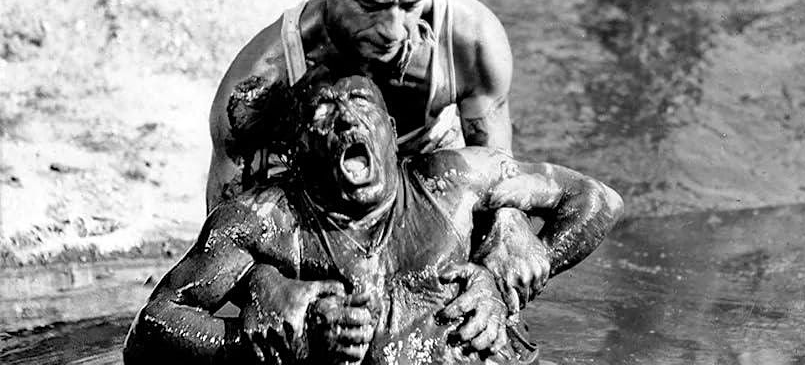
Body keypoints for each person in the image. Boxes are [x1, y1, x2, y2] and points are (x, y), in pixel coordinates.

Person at [125, 74, 623, 365]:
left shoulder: (453, 181)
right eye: (322, 113)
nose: (346, 118)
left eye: (360, 104)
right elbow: (149, 332)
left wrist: (504, 276)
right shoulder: (264, 223)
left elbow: (597, 201)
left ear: (389, 129)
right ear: (295, 153)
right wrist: (269, 344)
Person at [206, 0, 544, 304]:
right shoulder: (261, 81)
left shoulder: (471, 40)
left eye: (411, 4)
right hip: (316, 208)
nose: (394, 30)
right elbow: (226, 235)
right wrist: (271, 290)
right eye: (372, 5)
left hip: (429, 191)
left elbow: (497, 165)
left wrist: (510, 228)